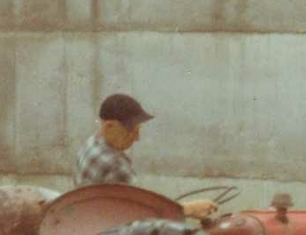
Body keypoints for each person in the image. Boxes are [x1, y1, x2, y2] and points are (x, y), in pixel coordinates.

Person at [73, 93, 217, 220]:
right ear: (110, 126)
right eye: (132, 131)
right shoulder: (114, 164)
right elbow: (143, 214)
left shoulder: (91, 144)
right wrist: (189, 209)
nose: (137, 138)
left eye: (138, 130)